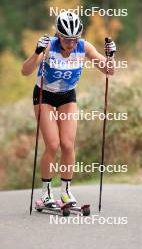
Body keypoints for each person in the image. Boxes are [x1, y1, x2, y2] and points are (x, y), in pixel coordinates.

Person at [21, 11, 116, 207]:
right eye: (66, 40)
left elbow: (108, 70)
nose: (71, 44)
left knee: (67, 144)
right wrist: (37, 52)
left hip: (67, 96)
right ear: (58, 35)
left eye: (75, 39)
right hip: (44, 95)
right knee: (53, 144)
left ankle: (65, 192)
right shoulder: (48, 47)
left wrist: (112, 56)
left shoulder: (84, 47)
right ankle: (46, 193)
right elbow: (25, 71)